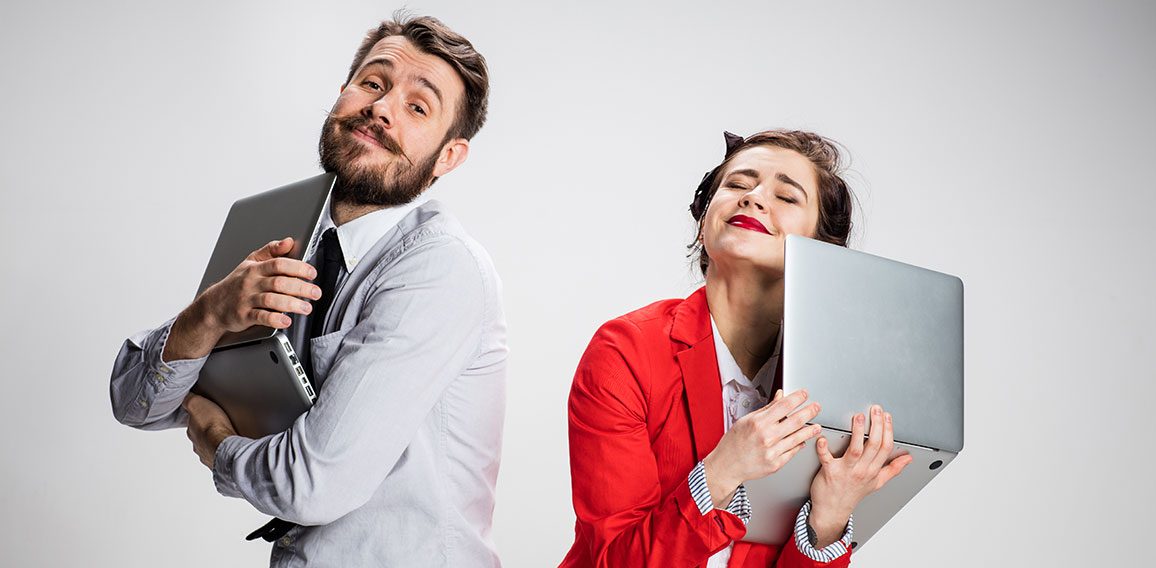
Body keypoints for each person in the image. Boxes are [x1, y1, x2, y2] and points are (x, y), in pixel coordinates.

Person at [109, 14, 507, 568]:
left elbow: (312, 484)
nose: (382, 107)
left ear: (447, 157)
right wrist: (208, 316)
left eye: (418, 107)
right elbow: (134, 403)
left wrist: (220, 445)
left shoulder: (442, 270)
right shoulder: (280, 234)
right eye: (372, 82)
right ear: (341, 94)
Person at [559, 130, 914, 568]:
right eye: (737, 185)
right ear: (704, 215)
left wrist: (830, 515)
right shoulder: (626, 352)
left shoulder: (837, 383)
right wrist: (722, 470)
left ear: (821, 250)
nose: (754, 198)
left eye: (786, 196)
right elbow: (615, 561)